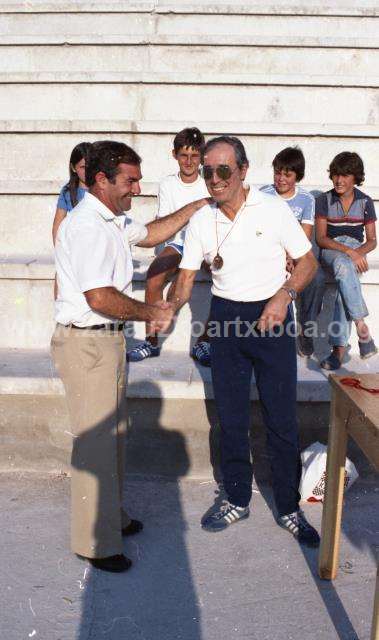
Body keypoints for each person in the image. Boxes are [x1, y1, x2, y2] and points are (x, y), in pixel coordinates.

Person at [51, 140, 211, 573]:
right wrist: (151, 310)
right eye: (130, 180)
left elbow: (155, 231)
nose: (137, 189)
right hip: (87, 342)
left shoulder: (114, 218)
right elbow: (99, 296)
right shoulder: (87, 225)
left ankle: (112, 519)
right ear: (100, 180)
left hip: (106, 342)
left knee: (114, 437)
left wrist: (198, 203)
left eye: (139, 179)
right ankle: (96, 544)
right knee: (97, 444)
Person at [168, 136, 320, 547]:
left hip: (272, 317)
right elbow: (184, 280)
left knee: (281, 418)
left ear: (243, 170)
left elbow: (307, 261)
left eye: (223, 171)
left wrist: (284, 295)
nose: (214, 180)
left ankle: (289, 506)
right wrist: (164, 311)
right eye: (207, 172)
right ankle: (236, 497)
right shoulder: (203, 220)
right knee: (231, 417)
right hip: (225, 319)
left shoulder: (273, 209)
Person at [127, 127, 209, 362]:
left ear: (202, 156)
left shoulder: (206, 183)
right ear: (174, 155)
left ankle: (205, 341)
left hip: (204, 243)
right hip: (178, 243)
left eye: (195, 156)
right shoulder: (168, 184)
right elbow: (166, 223)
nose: (189, 161)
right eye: (184, 155)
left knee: (223, 277)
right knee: (154, 276)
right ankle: (151, 341)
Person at [260, 146, 326, 357]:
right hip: (269, 251)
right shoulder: (263, 194)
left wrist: (290, 256)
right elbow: (259, 230)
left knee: (316, 278)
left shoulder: (306, 199)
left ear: (297, 176)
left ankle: (306, 329)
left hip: (295, 252)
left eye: (287, 174)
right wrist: (281, 256)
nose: (280, 179)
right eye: (277, 173)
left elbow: (305, 235)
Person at [315, 151, 377, 370]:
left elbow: (372, 241)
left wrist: (358, 251)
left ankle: (338, 350)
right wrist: (351, 254)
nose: (339, 180)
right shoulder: (324, 199)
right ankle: (361, 325)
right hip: (332, 248)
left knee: (344, 286)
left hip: (354, 248)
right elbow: (321, 238)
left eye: (345, 175)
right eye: (335, 175)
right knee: (343, 264)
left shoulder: (365, 201)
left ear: (355, 177)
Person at [52, 141, 91, 244]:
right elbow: (57, 226)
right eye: (83, 167)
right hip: (75, 248)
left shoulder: (103, 189)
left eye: (91, 166)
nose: (87, 171)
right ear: (73, 168)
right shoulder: (68, 192)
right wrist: (59, 253)